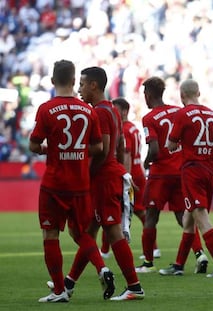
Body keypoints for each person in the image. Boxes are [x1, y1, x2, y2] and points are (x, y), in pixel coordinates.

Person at [29, 60, 114, 302]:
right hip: (80, 184)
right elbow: (98, 147)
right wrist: (77, 152)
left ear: (53, 81)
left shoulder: (46, 109)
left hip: (54, 183)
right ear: (75, 81)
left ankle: (59, 291)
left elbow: (34, 145)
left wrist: (51, 149)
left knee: (51, 234)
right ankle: (102, 268)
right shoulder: (89, 111)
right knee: (81, 233)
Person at [61, 66, 145, 301]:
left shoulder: (98, 112)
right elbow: (119, 145)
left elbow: (104, 148)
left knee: (112, 231)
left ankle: (134, 287)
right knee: (89, 230)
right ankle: (68, 284)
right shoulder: (112, 110)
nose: (79, 89)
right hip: (111, 175)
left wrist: (86, 177)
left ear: (94, 86)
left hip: (104, 179)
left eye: (82, 84)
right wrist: (120, 170)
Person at [159, 78, 213, 277]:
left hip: (192, 170)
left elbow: (170, 145)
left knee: (199, 216)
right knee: (188, 217)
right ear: (198, 93)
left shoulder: (182, 114)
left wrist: (177, 141)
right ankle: (179, 265)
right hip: (209, 171)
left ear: (182, 96)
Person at [136, 76, 208, 274]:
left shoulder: (149, 118)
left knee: (151, 216)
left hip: (160, 175)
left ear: (148, 95)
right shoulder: (178, 111)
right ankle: (199, 253)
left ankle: (148, 262)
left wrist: (146, 162)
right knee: (183, 216)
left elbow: (154, 149)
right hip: (181, 172)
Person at [99, 97, 161, 259]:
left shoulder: (124, 129)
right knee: (140, 212)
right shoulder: (133, 128)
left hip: (129, 174)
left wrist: (124, 176)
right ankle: (153, 248)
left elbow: (125, 154)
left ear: (125, 111)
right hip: (138, 173)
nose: (114, 113)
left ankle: (105, 250)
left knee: (113, 212)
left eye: (116, 109)